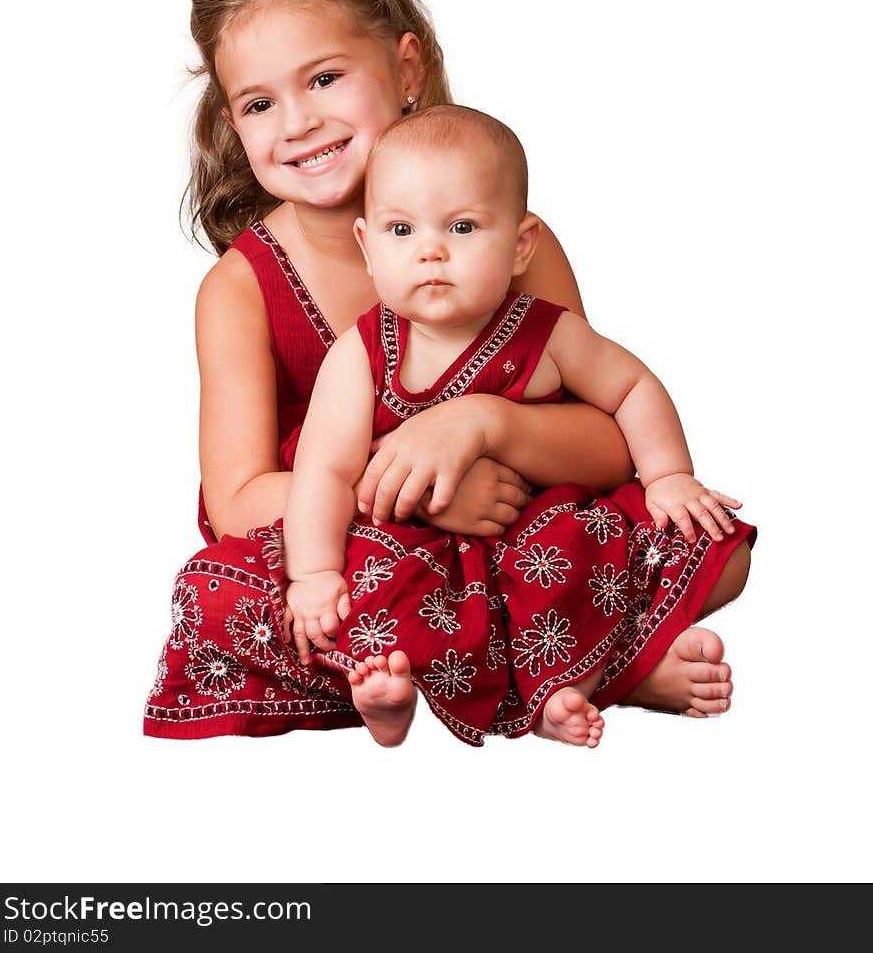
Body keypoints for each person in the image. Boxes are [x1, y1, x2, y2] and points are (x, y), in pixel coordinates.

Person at [144, 0, 752, 741]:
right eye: (259, 105)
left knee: (707, 539)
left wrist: (482, 426)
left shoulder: (505, 241)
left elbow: (608, 446)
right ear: (233, 124)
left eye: (325, 79)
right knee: (218, 592)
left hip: (520, 537)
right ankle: (599, 668)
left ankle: (543, 669)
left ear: (406, 70)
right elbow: (236, 504)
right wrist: (422, 497)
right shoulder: (240, 288)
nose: (297, 123)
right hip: (360, 553)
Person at [283, 106, 755, 747]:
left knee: (705, 546)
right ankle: (392, 695)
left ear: (520, 244)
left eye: (463, 226)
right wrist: (313, 573)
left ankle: (566, 688)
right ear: (367, 247)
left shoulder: (548, 330)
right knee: (355, 591)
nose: (431, 250)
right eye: (401, 230)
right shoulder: (360, 353)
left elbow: (632, 387)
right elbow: (325, 470)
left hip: (542, 543)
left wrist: (667, 475)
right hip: (427, 562)